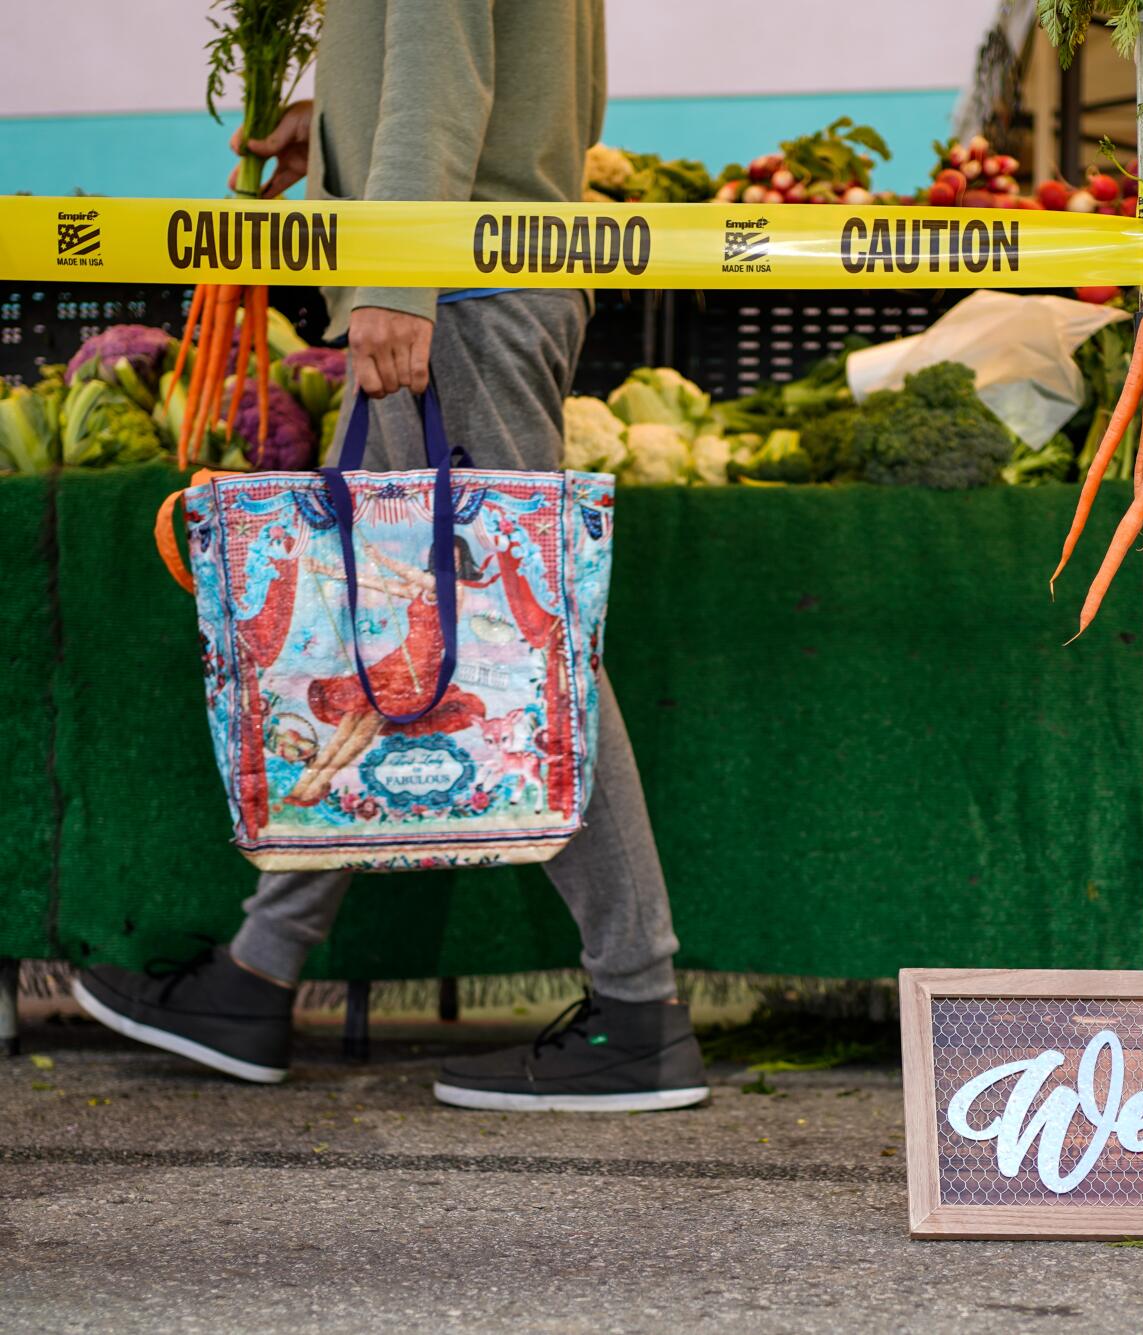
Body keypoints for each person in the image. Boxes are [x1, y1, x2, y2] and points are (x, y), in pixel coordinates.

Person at [71, 0, 708, 1114]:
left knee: (522, 645)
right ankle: (254, 979)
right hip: (476, 280)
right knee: (387, 630)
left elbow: (441, 76)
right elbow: (500, 76)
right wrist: (337, 133)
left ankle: (639, 1012)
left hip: (449, 297)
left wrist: (394, 279)